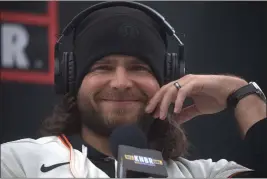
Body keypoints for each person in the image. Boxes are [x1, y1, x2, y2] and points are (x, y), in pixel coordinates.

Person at [1, 2, 266, 178]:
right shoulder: (19, 162)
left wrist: (240, 93)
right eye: (102, 67)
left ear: (168, 81)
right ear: (71, 80)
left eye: (139, 68)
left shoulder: (202, 175)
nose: (121, 82)